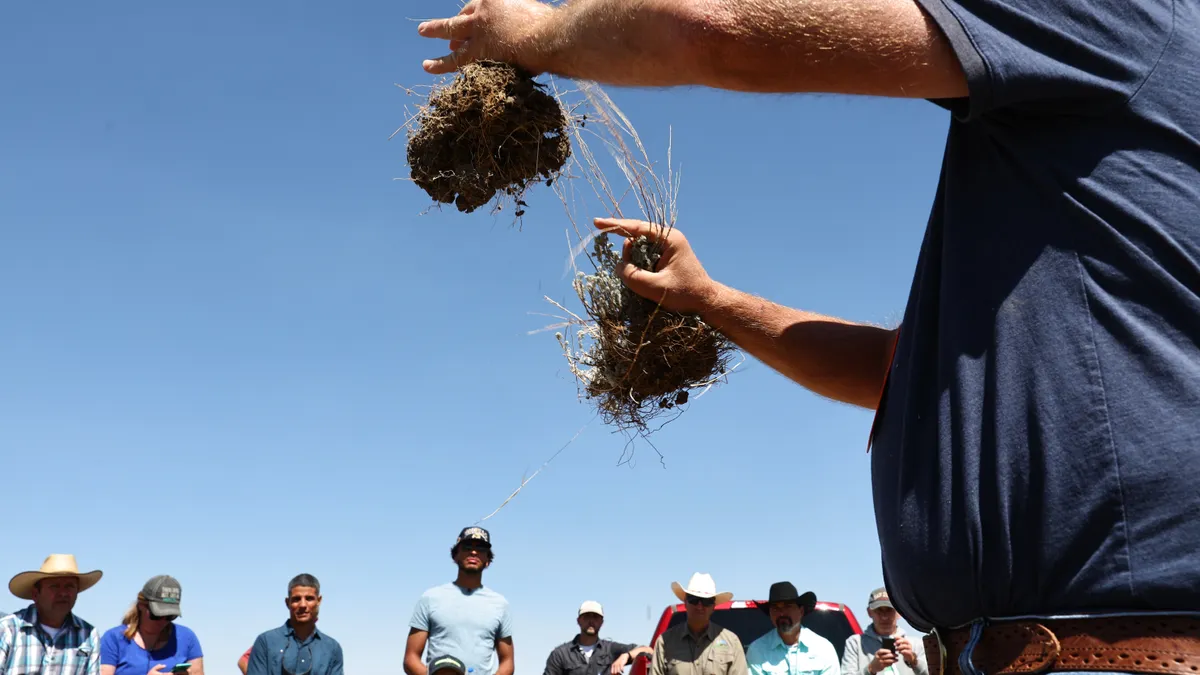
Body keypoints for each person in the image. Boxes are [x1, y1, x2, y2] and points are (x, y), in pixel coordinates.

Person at [417, 0, 1200, 673]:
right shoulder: (1085, 155)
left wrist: (535, 33)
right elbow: (897, 370)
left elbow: (717, 27)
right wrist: (710, 299)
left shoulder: (1116, 14)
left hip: (1097, 647)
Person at [405, 527, 514, 675]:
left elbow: (507, 662)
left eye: (481, 549)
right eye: (467, 547)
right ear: (455, 556)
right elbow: (411, 658)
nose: (474, 552)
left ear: (488, 560)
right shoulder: (430, 598)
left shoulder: (500, 604)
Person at [0, 554, 103, 675]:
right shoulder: (8, 629)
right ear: (35, 594)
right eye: (54, 586)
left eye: (69, 586)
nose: (63, 593)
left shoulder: (88, 635)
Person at [100, 575, 204, 675]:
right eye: (157, 615)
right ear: (141, 605)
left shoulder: (187, 638)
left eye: (170, 616)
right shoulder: (113, 639)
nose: (163, 621)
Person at [246, 574, 344, 675]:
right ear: (287, 603)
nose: (302, 605)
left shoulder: (332, 648)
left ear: (318, 601)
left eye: (309, 598)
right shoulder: (266, 642)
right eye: (296, 599)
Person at [650, 573, 746, 675]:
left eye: (706, 601)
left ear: (713, 606)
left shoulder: (732, 642)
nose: (699, 606)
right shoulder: (665, 642)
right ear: (685, 602)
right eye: (694, 599)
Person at [746, 582, 838, 675]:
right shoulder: (758, 650)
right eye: (775, 608)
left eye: (787, 607)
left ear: (801, 611)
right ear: (770, 614)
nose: (781, 613)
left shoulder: (823, 649)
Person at [543, 601, 653, 675]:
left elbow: (649, 650)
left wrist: (626, 656)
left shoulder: (611, 649)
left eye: (595, 617)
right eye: (586, 617)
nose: (591, 621)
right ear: (578, 621)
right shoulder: (560, 654)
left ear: (602, 622)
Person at [840, 589, 926, 675]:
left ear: (899, 612)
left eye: (889, 610)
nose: (884, 617)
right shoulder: (856, 644)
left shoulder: (915, 645)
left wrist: (914, 661)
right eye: (879, 610)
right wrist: (870, 669)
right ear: (869, 612)